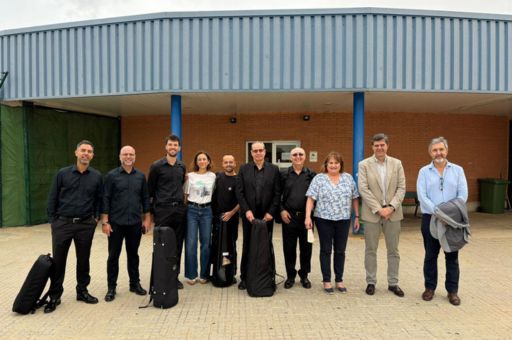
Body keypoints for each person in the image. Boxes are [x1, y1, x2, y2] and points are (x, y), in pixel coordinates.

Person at [45, 140, 103, 313]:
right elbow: (52, 197)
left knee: (83, 260)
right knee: (59, 261)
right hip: (63, 224)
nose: (86, 154)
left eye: (89, 151)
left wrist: (95, 218)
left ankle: (82, 291)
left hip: (86, 224)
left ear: (92, 155)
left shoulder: (97, 176)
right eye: (83, 150)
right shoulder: (62, 174)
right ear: (76, 153)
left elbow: (99, 199)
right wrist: (53, 221)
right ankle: (55, 296)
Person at [417, 136, 468, 306]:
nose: (438, 153)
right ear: (430, 152)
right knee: (430, 255)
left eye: (441, 149)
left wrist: (449, 214)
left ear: (446, 150)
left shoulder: (458, 170)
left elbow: (463, 195)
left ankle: (452, 291)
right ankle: (429, 288)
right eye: (434, 150)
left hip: (452, 221)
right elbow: (422, 196)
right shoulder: (424, 171)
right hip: (430, 219)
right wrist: (438, 212)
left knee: (452, 256)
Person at [358, 133, 406, 297]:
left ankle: (393, 283)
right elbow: (363, 189)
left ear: (387, 146)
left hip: (393, 214)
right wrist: (379, 209)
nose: (379, 148)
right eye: (376, 145)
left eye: (382, 145)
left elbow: (401, 188)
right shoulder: (364, 164)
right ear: (372, 147)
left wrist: (391, 207)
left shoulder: (397, 163)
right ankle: (371, 282)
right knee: (371, 249)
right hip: (373, 214)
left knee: (393, 250)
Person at [305, 151, 359, 294]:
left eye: (336, 163)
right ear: (326, 165)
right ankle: (327, 280)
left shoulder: (348, 178)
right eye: (331, 163)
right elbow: (310, 198)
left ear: (340, 165)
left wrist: (357, 217)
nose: (333, 165)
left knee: (340, 251)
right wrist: (307, 217)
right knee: (326, 250)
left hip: (343, 220)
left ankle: (339, 280)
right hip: (323, 220)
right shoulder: (319, 179)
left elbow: (354, 198)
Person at [101, 145, 150, 302]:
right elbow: (105, 199)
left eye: (131, 154)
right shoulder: (111, 176)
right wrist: (105, 222)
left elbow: (145, 198)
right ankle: (111, 288)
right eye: (125, 154)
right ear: (120, 156)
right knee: (113, 256)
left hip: (135, 223)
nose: (128, 157)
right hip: (116, 223)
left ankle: (134, 284)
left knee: (133, 255)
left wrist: (147, 219)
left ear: (135, 156)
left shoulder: (141, 176)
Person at [235, 142, 281, 290]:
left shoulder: (274, 170)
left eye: (261, 150)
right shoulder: (244, 169)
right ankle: (245, 278)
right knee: (247, 245)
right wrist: (246, 211)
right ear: (251, 153)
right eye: (255, 151)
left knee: (266, 245)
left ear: (265, 152)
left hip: (266, 216)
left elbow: (277, 194)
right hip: (250, 216)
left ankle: (268, 276)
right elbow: (239, 192)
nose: (258, 153)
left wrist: (271, 213)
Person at [147, 135, 187, 289]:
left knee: (177, 245)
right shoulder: (156, 166)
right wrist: (149, 215)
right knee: (162, 244)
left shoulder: (181, 166)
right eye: (170, 145)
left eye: (175, 145)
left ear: (179, 148)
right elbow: (150, 191)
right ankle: (160, 277)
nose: (173, 147)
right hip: (162, 210)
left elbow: (182, 184)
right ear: (166, 147)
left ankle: (174, 276)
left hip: (179, 210)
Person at [280, 147, 315, 289]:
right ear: (291, 157)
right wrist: (281, 210)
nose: (298, 157)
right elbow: (277, 195)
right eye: (295, 154)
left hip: (307, 218)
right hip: (289, 218)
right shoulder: (283, 174)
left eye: (301, 154)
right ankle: (290, 276)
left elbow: (315, 197)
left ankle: (304, 275)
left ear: (305, 157)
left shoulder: (312, 175)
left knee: (306, 248)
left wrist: (311, 216)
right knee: (289, 248)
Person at [184, 151, 216, 285]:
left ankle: (204, 274)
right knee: (191, 243)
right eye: (199, 159)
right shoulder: (189, 176)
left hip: (207, 211)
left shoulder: (213, 176)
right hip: (192, 210)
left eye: (204, 159)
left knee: (206, 244)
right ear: (196, 162)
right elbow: (185, 195)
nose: (202, 161)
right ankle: (191, 275)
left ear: (208, 161)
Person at [211, 155, 240, 279]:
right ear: (222, 164)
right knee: (216, 245)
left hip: (232, 218)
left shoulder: (239, 179)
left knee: (231, 245)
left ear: (235, 163)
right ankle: (217, 271)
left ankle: (230, 273)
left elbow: (242, 200)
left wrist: (231, 213)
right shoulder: (217, 177)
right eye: (226, 162)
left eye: (231, 162)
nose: (228, 164)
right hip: (217, 218)